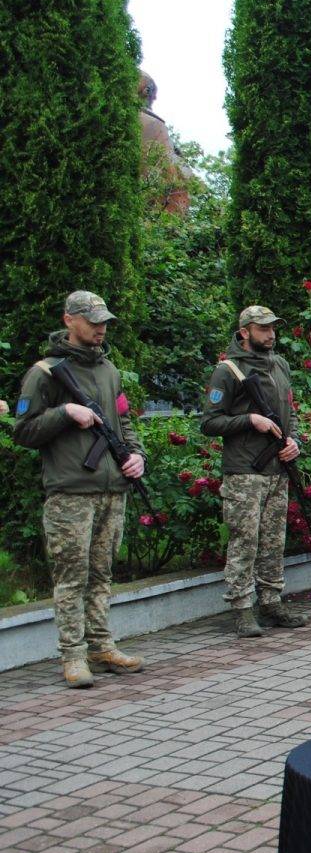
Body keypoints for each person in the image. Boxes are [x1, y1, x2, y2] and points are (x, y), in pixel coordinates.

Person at [12, 291, 148, 687]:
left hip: (111, 489)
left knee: (102, 574)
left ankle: (101, 646)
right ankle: (73, 655)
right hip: (70, 493)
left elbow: (123, 422)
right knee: (71, 578)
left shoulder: (109, 370)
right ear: (69, 320)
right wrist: (65, 413)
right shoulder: (45, 373)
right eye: (93, 321)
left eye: (104, 321)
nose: (101, 328)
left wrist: (136, 455)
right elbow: (23, 430)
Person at [200, 304, 309, 639]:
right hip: (244, 471)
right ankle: (242, 609)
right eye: (263, 328)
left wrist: (295, 441)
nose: (271, 334)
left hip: (278, 467)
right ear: (244, 332)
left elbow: (290, 412)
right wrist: (249, 420)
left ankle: (271, 602)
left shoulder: (279, 364)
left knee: (274, 540)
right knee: (245, 541)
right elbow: (209, 422)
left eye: (273, 328)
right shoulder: (227, 370)